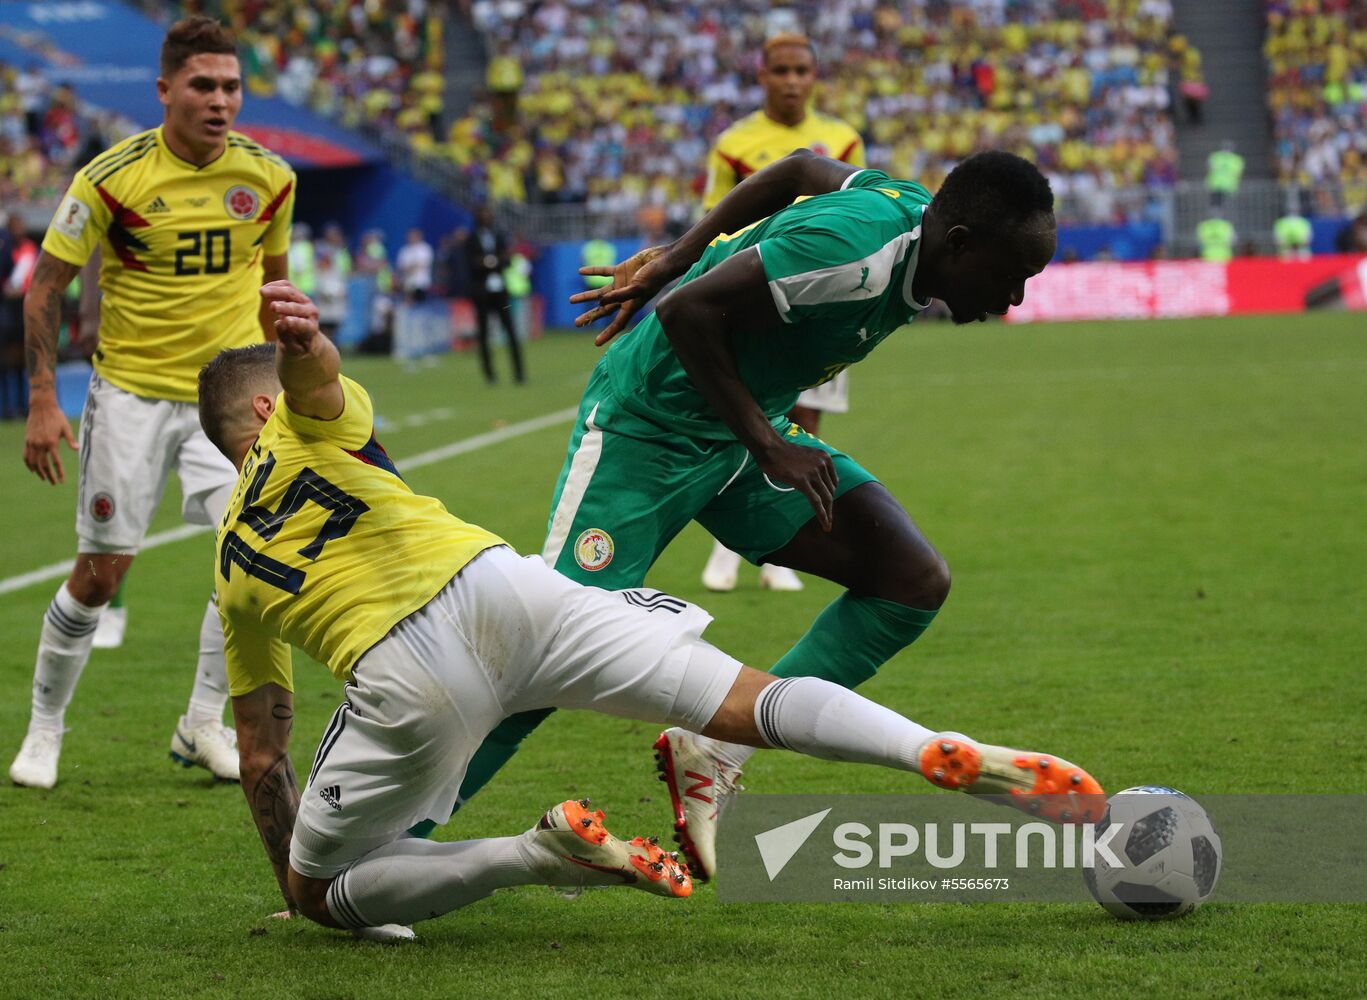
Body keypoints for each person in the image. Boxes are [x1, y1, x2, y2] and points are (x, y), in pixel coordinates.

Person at [198, 280, 1102, 935]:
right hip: (512, 590)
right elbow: (319, 382)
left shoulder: (227, 567)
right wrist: (304, 339)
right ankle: (924, 747)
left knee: (325, 893)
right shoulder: (305, 428)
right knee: (748, 701)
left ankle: (534, 853)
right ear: (267, 408)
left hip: (407, 672)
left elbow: (261, 749)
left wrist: (292, 881)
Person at [453, 147, 1059, 881]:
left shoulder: (907, 217)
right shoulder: (853, 251)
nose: (1013, 299)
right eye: (1011, 275)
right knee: (543, 653)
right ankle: (380, 845)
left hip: (741, 432)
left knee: (910, 581)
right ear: (958, 243)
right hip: (648, 431)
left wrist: (678, 261)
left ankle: (715, 751)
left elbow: (800, 168)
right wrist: (766, 439)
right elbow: (684, 310)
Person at [9, 16, 294, 790]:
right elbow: (46, 288)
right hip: (131, 397)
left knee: (254, 561)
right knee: (100, 576)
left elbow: (273, 286)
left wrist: (281, 387)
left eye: (231, 86)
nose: (220, 100)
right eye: (203, 86)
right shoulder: (110, 178)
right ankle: (45, 728)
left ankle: (202, 722)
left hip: (226, 402)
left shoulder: (270, 177)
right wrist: (43, 397)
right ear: (165, 90)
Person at [700, 32, 867, 595]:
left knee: (806, 424)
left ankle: (778, 553)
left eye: (802, 70)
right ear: (762, 76)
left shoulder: (843, 139)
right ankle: (731, 544)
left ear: (814, 76)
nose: (792, 81)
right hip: (757, 296)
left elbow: (862, 216)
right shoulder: (734, 143)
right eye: (781, 71)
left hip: (827, 299)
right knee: (749, 417)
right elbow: (714, 221)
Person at [463, 204, 524, 383]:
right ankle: (489, 374)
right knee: (483, 333)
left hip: (500, 290)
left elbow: (507, 260)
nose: (487, 217)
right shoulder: (471, 238)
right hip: (481, 291)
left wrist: (491, 262)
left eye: (488, 213)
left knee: (510, 330)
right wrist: (488, 263)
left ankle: (519, 372)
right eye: (483, 213)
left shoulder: (498, 235)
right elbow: (470, 264)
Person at [395, 227, 433, 304]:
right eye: (409, 236)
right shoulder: (404, 250)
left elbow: (423, 263)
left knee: (420, 305)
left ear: (419, 236)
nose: (411, 238)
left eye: (413, 236)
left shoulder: (425, 248)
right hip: (406, 284)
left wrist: (410, 269)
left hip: (420, 284)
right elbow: (400, 266)